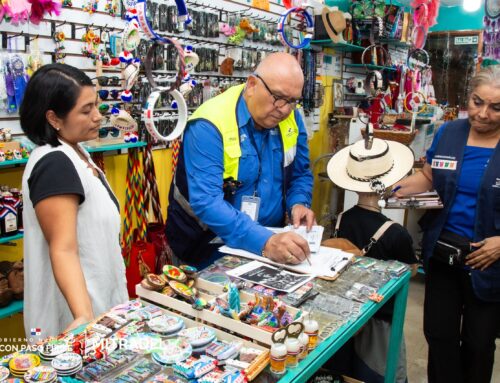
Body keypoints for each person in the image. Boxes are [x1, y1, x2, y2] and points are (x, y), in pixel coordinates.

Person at [393, 66, 500, 383]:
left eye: (495, 107)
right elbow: (428, 178)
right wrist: (388, 186)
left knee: (479, 344)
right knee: (439, 336)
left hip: (488, 262)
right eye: (477, 101)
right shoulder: (448, 133)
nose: (482, 113)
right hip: (444, 253)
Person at [165, 53, 315, 269]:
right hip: (205, 245)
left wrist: (298, 202)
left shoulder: (291, 116)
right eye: (279, 97)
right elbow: (207, 202)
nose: (284, 109)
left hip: (267, 244)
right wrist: (265, 241)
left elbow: (300, 173)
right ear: (252, 85)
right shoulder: (209, 124)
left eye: (293, 101)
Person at [20, 64, 128, 341]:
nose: (97, 117)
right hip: (71, 322)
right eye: (85, 110)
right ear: (54, 118)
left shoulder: (77, 152)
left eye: (96, 106)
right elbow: (63, 248)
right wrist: (83, 316)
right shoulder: (54, 162)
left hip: (101, 311)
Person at [325, 129, 418, 382]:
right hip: (381, 316)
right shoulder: (397, 233)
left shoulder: (341, 220)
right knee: (380, 370)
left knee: (344, 369)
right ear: (387, 183)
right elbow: (409, 271)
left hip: (345, 311)